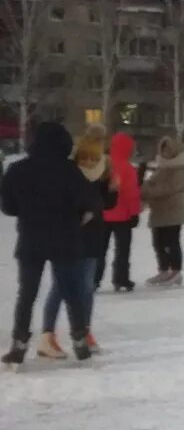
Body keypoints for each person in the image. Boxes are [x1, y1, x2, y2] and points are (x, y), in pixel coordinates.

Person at [1, 122, 101, 368]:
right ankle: (79, 339)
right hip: (66, 239)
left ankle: (19, 344)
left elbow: (8, 207)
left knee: (27, 294)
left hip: (31, 239)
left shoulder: (17, 170)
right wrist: (77, 217)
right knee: (71, 291)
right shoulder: (70, 171)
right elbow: (90, 202)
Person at [39, 128, 117, 357]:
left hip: (93, 237)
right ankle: (48, 334)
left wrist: (112, 192)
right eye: (85, 158)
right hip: (66, 237)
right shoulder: (69, 174)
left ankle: (85, 331)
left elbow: (106, 204)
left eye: (93, 158)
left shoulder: (102, 173)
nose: (89, 163)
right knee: (60, 287)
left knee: (87, 287)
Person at [142, 136, 184, 287]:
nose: (165, 152)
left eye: (168, 149)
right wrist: (145, 188)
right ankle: (164, 270)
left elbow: (168, 188)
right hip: (158, 211)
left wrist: (146, 190)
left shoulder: (181, 169)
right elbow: (151, 184)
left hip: (173, 211)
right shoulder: (162, 168)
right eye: (163, 149)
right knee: (158, 243)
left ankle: (175, 271)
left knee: (172, 242)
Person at [103, 132, 142, 292]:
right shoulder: (128, 168)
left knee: (99, 249)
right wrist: (135, 213)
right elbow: (131, 194)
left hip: (102, 215)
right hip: (122, 216)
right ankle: (121, 278)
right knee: (122, 250)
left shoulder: (103, 164)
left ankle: (93, 279)